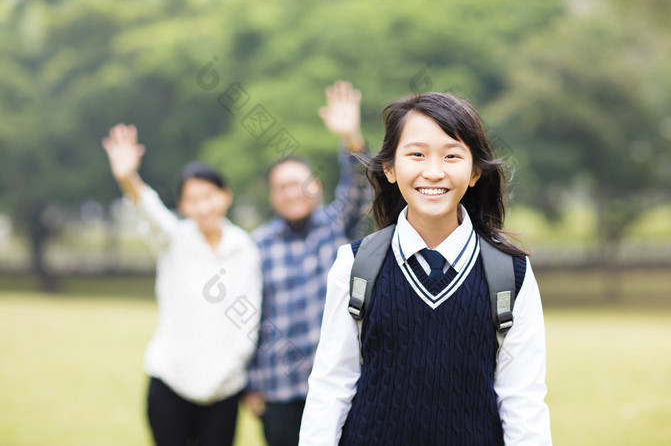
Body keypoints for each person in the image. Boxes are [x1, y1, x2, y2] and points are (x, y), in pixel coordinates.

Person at [299, 92, 552, 445]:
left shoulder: (512, 274)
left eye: (451, 155)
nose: (433, 172)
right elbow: (331, 387)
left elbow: (522, 400)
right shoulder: (355, 265)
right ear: (389, 167)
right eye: (416, 154)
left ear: (475, 171)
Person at [102, 124, 262, 446]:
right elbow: (149, 212)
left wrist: (228, 372)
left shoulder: (243, 248)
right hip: (170, 381)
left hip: (225, 388)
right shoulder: (174, 240)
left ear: (226, 196)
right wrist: (127, 178)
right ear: (183, 205)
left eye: (209, 196)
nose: (203, 207)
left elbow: (249, 319)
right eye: (193, 199)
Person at [243, 81, 372, 446]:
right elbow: (249, 316)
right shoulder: (258, 246)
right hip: (280, 389)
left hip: (341, 383)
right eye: (281, 187)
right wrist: (251, 385)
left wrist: (351, 139)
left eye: (298, 184)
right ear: (272, 196)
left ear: (315, 186)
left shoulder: (337, 226)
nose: (290, 193)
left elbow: (361, 186)